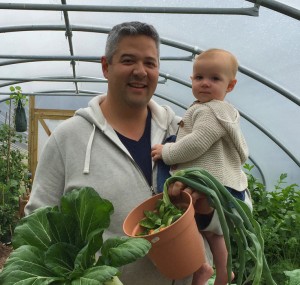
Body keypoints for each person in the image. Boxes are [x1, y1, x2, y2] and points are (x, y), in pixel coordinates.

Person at [25, 21, 212, 285]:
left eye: (150, 63)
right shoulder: (67, 139)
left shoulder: (186, 130)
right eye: (128, 60)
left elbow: (235, 197)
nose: (140, 72)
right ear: (106, 66)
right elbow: (38, 223)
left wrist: (209, 207)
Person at [151, 49, 252, 285]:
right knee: (213, 232)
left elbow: (197, 143)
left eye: (215, 79)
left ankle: (204, 267)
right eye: (199, 78)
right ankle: (221, 271)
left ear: (231, 85)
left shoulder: (213, 110)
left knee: (184, 222)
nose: (205, 84)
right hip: (218, 184)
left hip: (212, 184)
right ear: (191, 80)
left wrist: (167, 152)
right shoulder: (209, 108)